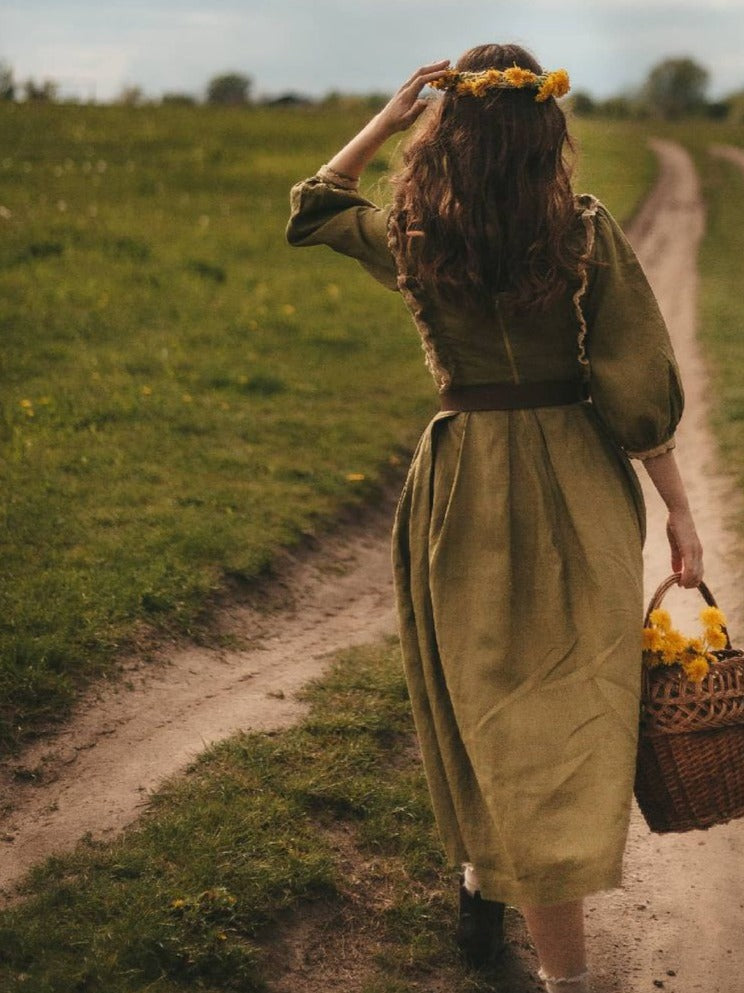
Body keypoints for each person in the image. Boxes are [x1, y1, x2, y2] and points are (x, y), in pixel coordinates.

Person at [286, 43, 703, 993]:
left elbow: (312, 206)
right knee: (567, 712)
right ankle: (559, 968)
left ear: (449, 132)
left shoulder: (417, 236)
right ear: (547, 130)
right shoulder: (582, 235)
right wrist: (679, 512)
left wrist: (386, 121)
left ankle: (484, 882)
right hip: (580, 486)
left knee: (483, 697)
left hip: (462, 482)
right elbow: (636, 388)